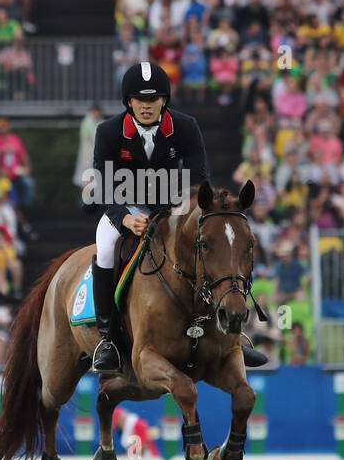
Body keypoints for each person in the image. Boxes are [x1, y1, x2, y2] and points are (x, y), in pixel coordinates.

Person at [90, 61, 268, 372]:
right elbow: (103, 187)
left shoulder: (186, 126)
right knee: (105, 247)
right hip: (126, 206)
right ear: (128, 102)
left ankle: (233, 338)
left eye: (154, 99)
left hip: (173, 206)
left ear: (164, 100)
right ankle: (109, 339)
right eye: (140, 100)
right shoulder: (107, 132)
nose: (146, 106)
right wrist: (125, 220)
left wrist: (179, 211)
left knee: (208, 246)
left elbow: (200, 177)